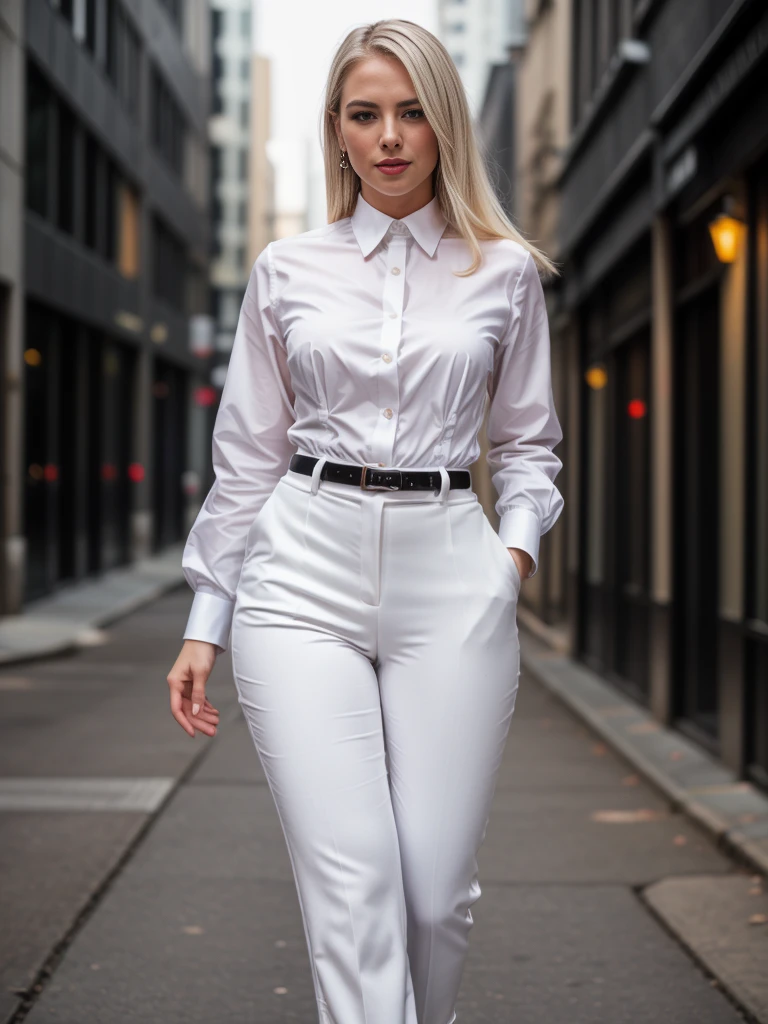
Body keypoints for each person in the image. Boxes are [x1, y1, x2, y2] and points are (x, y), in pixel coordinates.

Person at [166, 18, 564, 1024]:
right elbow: (248, 456)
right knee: (355, 889)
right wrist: (206, 619)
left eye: (412, 111)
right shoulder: (286, 270)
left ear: (444, 128)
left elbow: (527, 446)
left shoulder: (504, 272)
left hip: (450, 576)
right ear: (337, 134)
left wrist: (507, 557)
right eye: (365, 114)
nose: (390, 134)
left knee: (434, 899)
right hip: (301, 573)